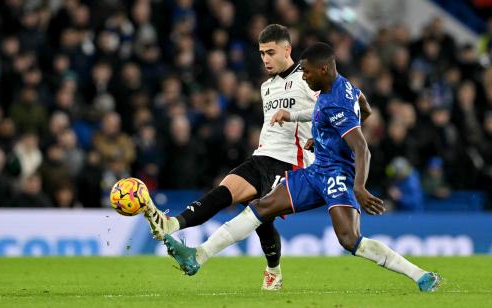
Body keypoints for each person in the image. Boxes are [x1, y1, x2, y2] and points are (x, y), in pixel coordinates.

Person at [162, 42, 442, 292]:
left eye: (307, 73)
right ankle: (198, 255)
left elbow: (361, 148)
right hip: (316, 171)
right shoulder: (342, 85)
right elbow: (363, 108)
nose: (304, 77)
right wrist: (322, 136)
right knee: (261, 207)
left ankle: (419, 275)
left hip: (337, 176)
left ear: (323, 69)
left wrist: (359, 187)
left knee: (350, 240)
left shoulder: (336, 103)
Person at [143, 24, 317, 290]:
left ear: (287, 49)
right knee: (226, 191)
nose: (266, 59)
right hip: (262, 156)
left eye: (271, 52)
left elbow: (329, 110)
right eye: (261, 54)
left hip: (290, 163)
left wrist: (320, 138)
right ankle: (171, 224)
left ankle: (201, 256)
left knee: (258, 212)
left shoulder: (309, 78)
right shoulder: (266, 87)